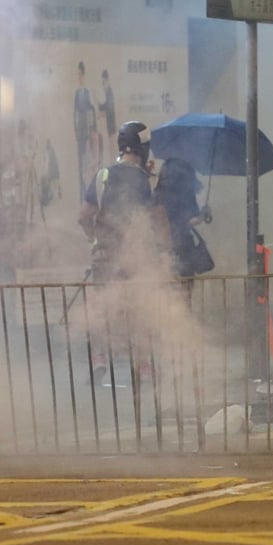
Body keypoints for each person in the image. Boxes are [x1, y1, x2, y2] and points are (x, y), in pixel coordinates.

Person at [78, 121, 160, 385]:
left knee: (102, 308)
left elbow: (84, 216)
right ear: (141, 148)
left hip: (104, 256)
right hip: (132, 258)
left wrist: (96, 238)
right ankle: (144, 365)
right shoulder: (142, 180)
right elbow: (149, 220)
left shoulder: (102, 174)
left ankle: (99, 357)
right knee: (139, 310)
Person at [73, 61, 97, 203]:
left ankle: (89, 197)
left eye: (80, 74)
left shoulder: (87, 92)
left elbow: (91, 111)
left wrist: (91, 131)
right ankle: (82, 196)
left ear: (83, 74)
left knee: (89, 165)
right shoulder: (77, 93)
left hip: (88, 134)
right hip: (80, 135)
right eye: (78, 74)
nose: (78, 77)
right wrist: (76, 130)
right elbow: (74, 113)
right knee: (80, 165)